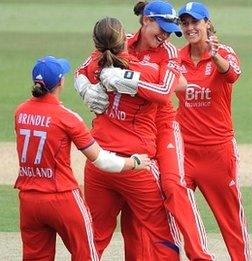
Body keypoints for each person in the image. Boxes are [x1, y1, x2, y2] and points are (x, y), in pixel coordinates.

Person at [74, 1, 214, 260]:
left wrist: (126, 78)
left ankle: (200, 255)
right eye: (162, 28)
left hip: (161, 124)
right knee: (130, 218)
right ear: (145, 21)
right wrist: (85, 88)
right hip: (135, 145)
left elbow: (165, 92)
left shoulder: (167, 51)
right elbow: (81, 70)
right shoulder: (118, 44)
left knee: (173, 186)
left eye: (171, 31)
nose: (165, 36)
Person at [14, 55, 150, 260]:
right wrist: (134, 162)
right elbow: (101, 160)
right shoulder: (67, 118)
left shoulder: (20, 112)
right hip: (62, 198)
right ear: (60, 81)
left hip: (29, 200)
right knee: (87, 254)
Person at [176, 2, 251, 260]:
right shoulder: (177, 57)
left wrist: (214, 54)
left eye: (195, 22)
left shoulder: (225, 52)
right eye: (184, 23)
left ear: (207, 23)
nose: (190, 27)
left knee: (229, 218)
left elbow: (232, 76)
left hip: (218, 151)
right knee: (178, 211)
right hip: (183, 150)